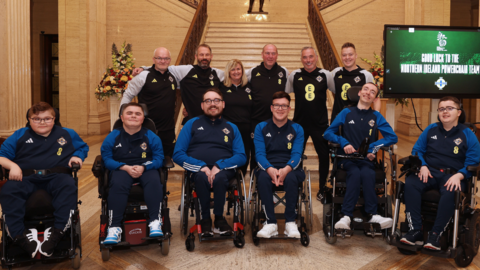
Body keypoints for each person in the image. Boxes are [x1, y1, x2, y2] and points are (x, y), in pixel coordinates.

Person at [0, 102, 89, 258]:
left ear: (54, 119)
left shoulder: (67, 133)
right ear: (29, 119)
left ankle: (56, 234)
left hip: (57, 176)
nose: (42, 122)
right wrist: (12, 166)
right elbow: (1, 156)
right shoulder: (19, 135)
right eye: (36, 119)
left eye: (47, 118)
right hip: (26, 177)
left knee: (68, 185)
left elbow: (82, 147)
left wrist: (77, 156)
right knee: (8, 190)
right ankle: (19, 237)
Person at [400, 96, 480, 250]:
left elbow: (473, 161)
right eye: (442, 109)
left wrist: (460, 175)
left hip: (453, 175)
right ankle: (415, 230)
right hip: (429, 171)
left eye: (450, 108)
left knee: (451, 190)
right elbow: (417, 150)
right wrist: (422, 165)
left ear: (458, 112)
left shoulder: (468, 134)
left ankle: (435, 235)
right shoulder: (431, 129)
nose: (445, 111)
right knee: (410, 183)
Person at [173, 88, 246, 236]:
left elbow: (241, 156)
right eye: (208, 101)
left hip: (224, 170)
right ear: (202, 105)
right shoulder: (191, 124)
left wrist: (220, 165)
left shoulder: (232, 127)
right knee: (201, 176)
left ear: (223, 104)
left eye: (216, 100)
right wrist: (202, 167)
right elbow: (178, 154)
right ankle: (205, 220)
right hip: (198, 170)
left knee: (219, 178)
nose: (212, 104)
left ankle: (219, 219)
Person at [323, 83, 397, 230]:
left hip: (365, 160)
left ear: (375, 98)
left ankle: (372, 214)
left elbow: (392, 137)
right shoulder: (346, 113)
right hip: (346, 159)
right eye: (366, 89)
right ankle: (346, 216)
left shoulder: (376, 116)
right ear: (359, 93)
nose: (368, 93)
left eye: (372, 92)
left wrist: (373, 148)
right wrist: (343, 142)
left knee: (368, 173)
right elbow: (328, 133)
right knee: (355, 173)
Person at [101, 103, 165, 244]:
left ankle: (155, 221)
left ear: (143, 118)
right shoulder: (113, 136)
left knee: (154, 180)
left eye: (138, 114)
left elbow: (159, 158)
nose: (133, 116)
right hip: (121, 168)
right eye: (129, 113)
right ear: (122, 117)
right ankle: (114, 228)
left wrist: (143, 167)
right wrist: (124, 167)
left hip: (146, 168)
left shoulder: (152, 137)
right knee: (117, 183)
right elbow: (106, 159)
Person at [286, 46, 334, 202]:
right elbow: (285, 95)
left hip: (320, 124)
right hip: (299, 124)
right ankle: (296, 186)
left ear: (316, 57)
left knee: (324, 156)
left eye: (311, 57)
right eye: (305, 57)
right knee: (295, 155)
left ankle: (322, 188)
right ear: (301, 59)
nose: (308, 60)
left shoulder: (326, 75)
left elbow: (336, 92)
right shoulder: (295, 75)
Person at [254, 91, 305, 238]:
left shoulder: (297, 128)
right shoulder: (260, 127)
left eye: (284, 106)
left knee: (291, 178)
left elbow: (297, 154)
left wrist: (286, 169)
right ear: (271, 108)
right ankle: (271, 223)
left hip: (290, 167)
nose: (280, 109)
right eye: (277, 105)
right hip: (267, 166)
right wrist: (270, 169)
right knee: (262, 178)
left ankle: (290, 222)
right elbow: (259, 154)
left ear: (289, 109)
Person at [133, 44, 225, 122]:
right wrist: (143, 68)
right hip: (192, 122)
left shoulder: (219, 73)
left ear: (211, 56)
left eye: (207, 55)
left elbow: (232, 78)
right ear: (196, 57)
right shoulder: (185, 70)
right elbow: (164, 66)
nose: (204, 57)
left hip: (214, 120)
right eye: (201, 55)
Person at [121, 47, 177, 157]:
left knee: (166, 159)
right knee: (146, 157)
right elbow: (128, 95)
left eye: (166, 58)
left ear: (170, 60)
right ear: (153, 59)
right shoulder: (143, 76)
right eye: (159, 58)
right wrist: (122, 115)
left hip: (168, 129)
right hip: (147, 128)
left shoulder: (173, 76)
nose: (163, 61)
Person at [246, 44, 289, 171]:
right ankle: (255, 186)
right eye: (267, 53)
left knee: (275, 152)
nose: (270, 56)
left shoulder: (283, 72)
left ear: (277, 55)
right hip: (256, 120)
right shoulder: (252, 72)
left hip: (277, 121)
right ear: (262, 54)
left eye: (273, 53)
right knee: (256, 154)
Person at [220, 59, 253, 177]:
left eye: (238, 69)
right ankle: (228, 182)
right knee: (228, 156)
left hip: (246, 130)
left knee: (244, 157)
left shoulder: (249, 87)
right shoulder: (222, 88)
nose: (236, 72)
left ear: (242, 71)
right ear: (228, 72)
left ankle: (239, 183)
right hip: (228, 130)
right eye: (232, 69)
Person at [330, 42, 376, 124]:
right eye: (344, 55)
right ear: (341, 57)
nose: (347, 58)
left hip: (358, 121)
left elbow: (376, 98)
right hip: (338, 120)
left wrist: (376, 117)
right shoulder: (335, 73)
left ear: (356, 55)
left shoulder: (366, 75)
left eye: (350, 54)